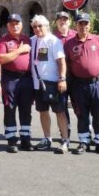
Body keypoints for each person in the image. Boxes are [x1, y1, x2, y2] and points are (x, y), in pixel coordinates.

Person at [64, 13, 99, 156]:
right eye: (80, 23)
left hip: (96, 83)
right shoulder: (69, 44)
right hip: (78, 85)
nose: (83, 26)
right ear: (75, 25)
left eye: (86, 24)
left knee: (98, 114)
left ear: (90, 25)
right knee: (82, 114)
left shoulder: (98, 40)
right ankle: (84, 142)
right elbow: (66, 63)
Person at [30, 15, 69, 154]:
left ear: (47, 26)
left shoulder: (54, 41)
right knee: (43, 111)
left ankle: (65, 140)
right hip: (38, 84)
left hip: (53, 83)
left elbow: (61, 62)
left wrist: (62, 79)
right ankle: (47, 138)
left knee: (60, 112)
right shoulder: (32, 41)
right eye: (34, 26)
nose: (37, 28)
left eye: (40, 26)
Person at [0, 13, 34, 153]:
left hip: (26, 78)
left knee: (26, 109)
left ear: (22, 24)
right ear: (8, 26)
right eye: (12, 24)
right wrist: (19, 50)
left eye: (17, 23)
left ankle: (25, 139)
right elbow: (1, 59)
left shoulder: (27, 39)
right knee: (10, 109)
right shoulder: (3, 41)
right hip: (10, 79)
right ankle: (11, 140)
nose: (15, 26)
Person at [54, 11, 78, 137]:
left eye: (65, 19)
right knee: (62, 107)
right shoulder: (52, 38)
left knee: (79, 107)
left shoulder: (76, 35)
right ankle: (65, 132)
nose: (62, 21)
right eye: (60, 20)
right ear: (56, 22)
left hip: (76, 78)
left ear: (69, 22)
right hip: (60, 79)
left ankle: (86, 133)